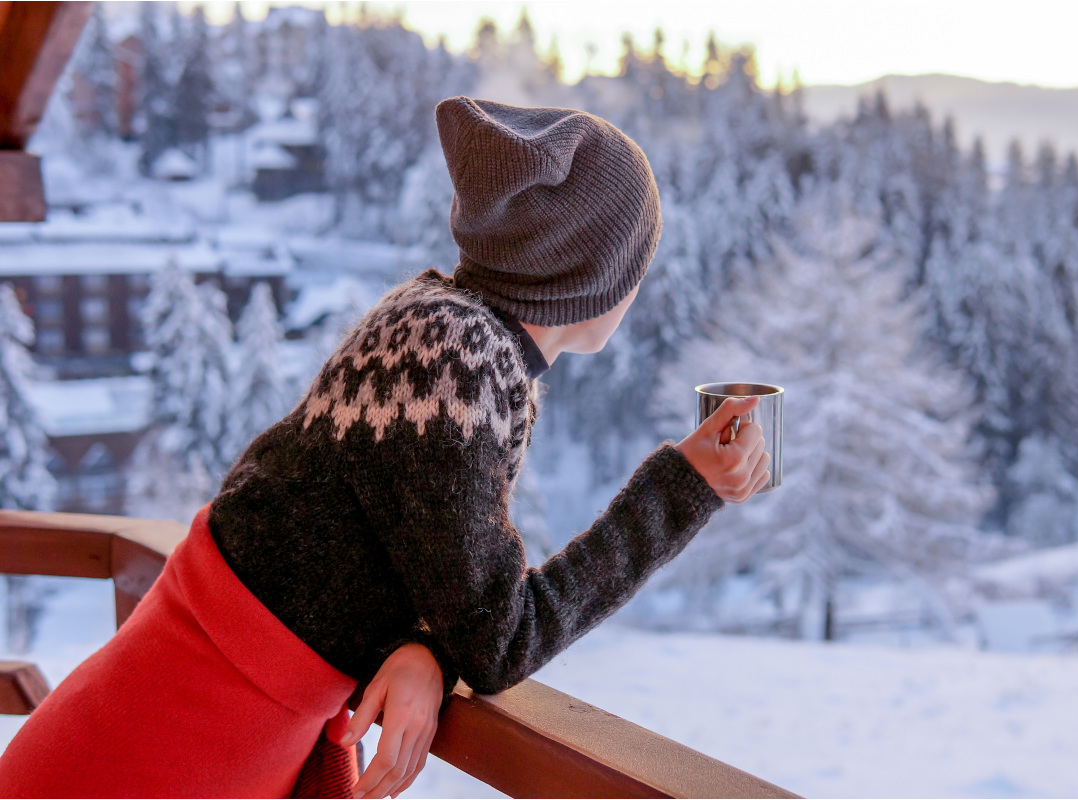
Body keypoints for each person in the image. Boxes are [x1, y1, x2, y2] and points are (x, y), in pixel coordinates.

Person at [0, 96, 769, 799]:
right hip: (155, 759)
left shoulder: (431, 321)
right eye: (638, 262)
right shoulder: (457, 363)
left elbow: (370, 542)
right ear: (593, 272)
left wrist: (424, 645)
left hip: (156, 728)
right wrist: (683, 487)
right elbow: (502, 640)